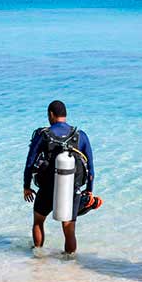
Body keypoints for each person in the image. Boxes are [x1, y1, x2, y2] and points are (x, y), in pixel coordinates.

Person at [23, 100, 101, 254]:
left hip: (47, 187)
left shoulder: (43, 135)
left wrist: (26, 186)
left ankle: (38, 257)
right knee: (69, 228)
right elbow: (90, 166)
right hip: (71, 187)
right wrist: (89, 190)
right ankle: (70, 263)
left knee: (38, 222)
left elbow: (30, 162)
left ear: (51, 114)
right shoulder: (80, 135)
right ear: (65, 115)